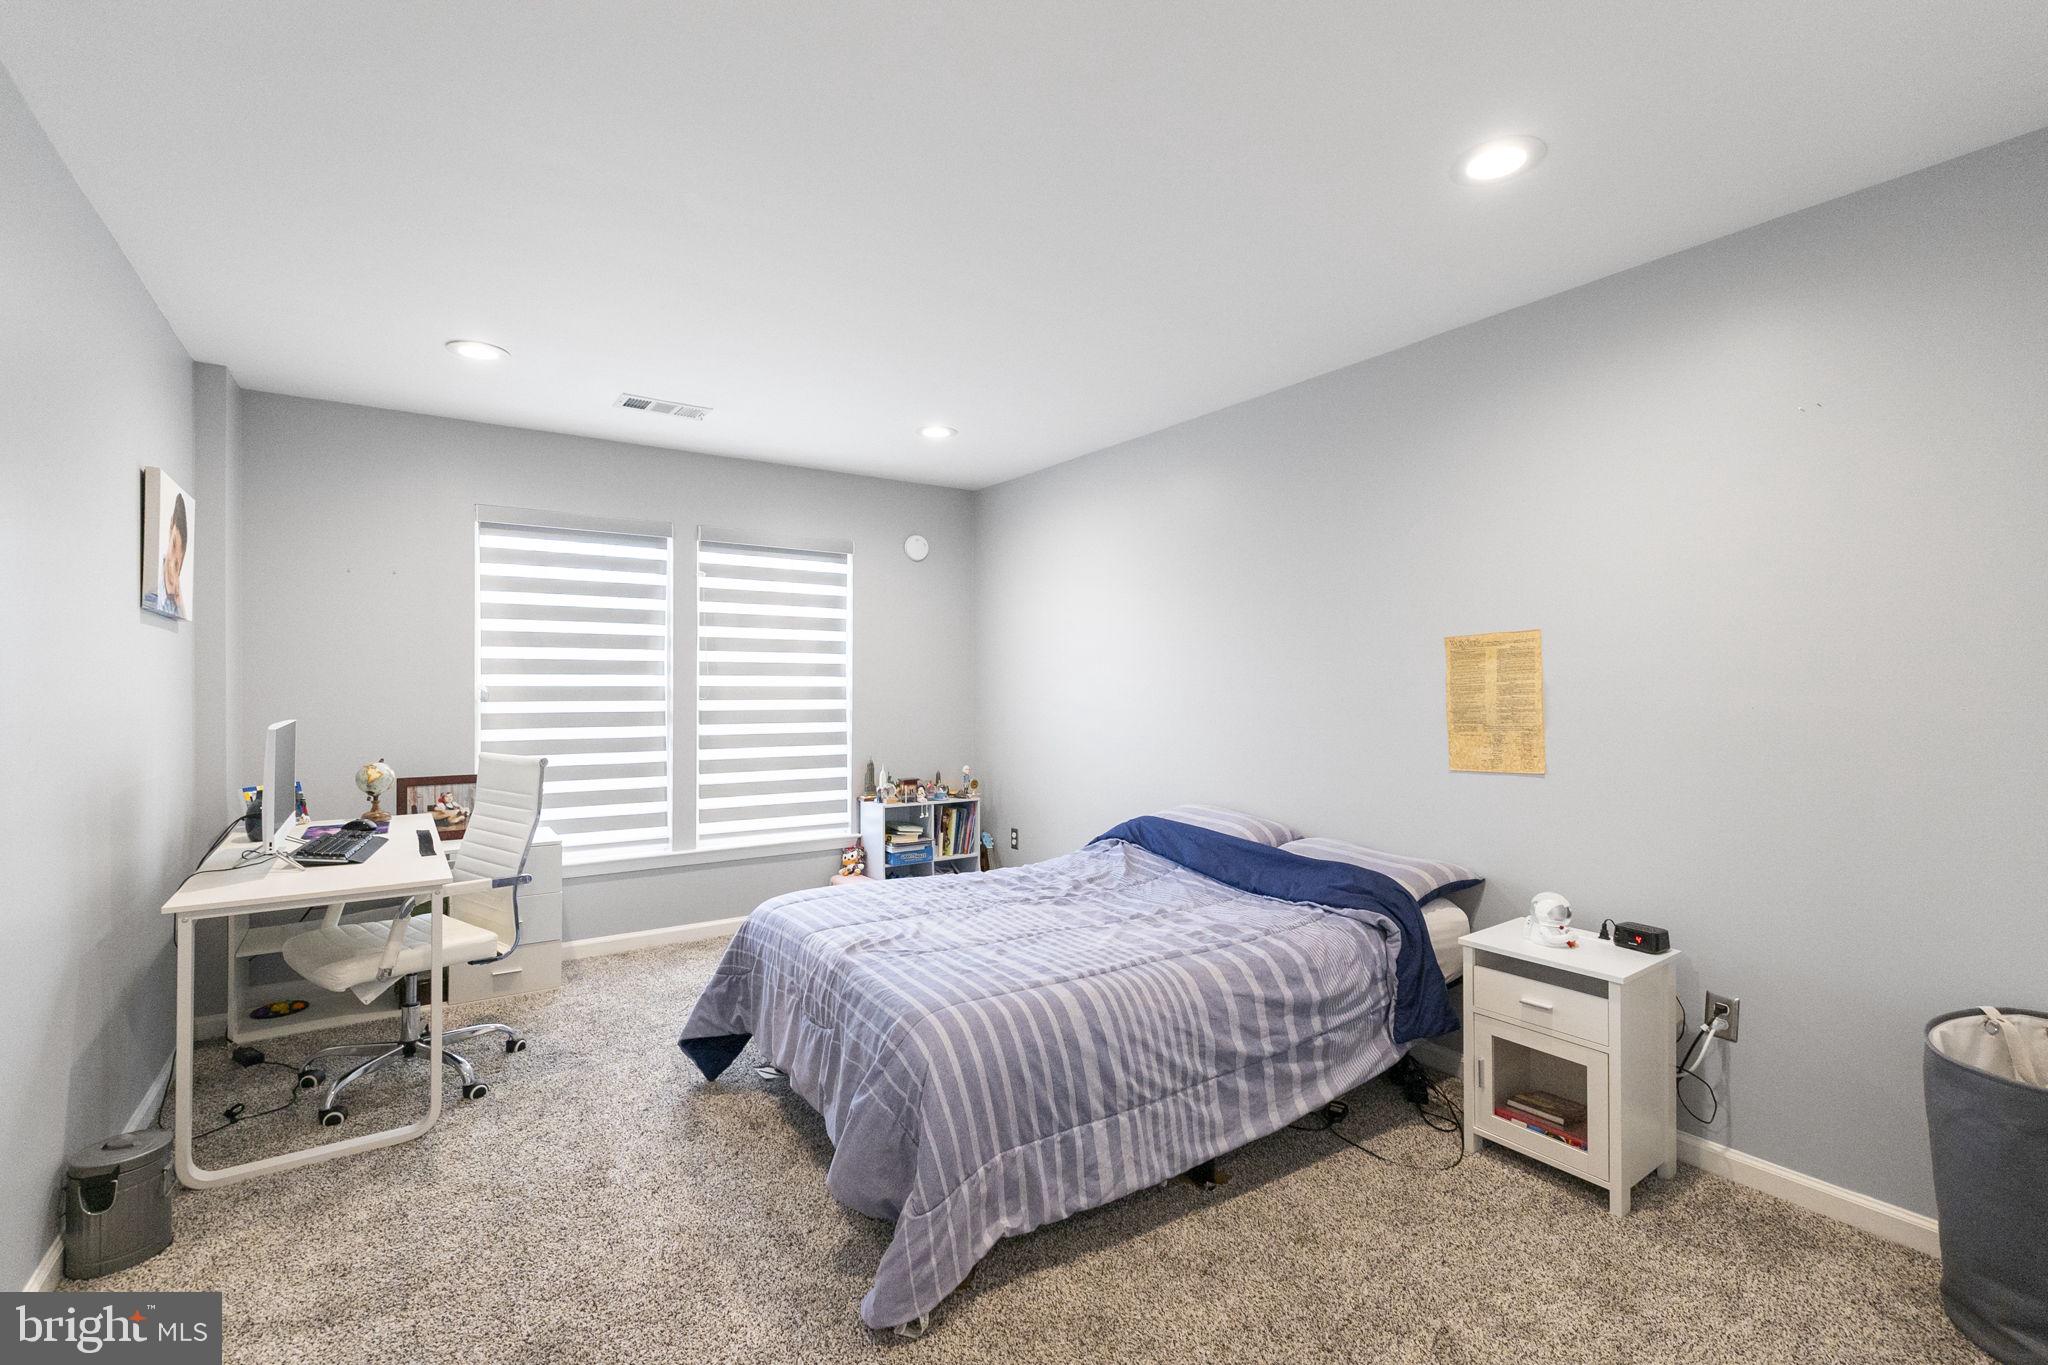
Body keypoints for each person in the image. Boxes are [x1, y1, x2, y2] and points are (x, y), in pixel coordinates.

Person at [147, 492, 188, 617]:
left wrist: (178, 598)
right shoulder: (151, 584)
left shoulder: (176, 604)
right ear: (170, 529)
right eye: (174, 544)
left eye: (178, 563)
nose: (174, 567)